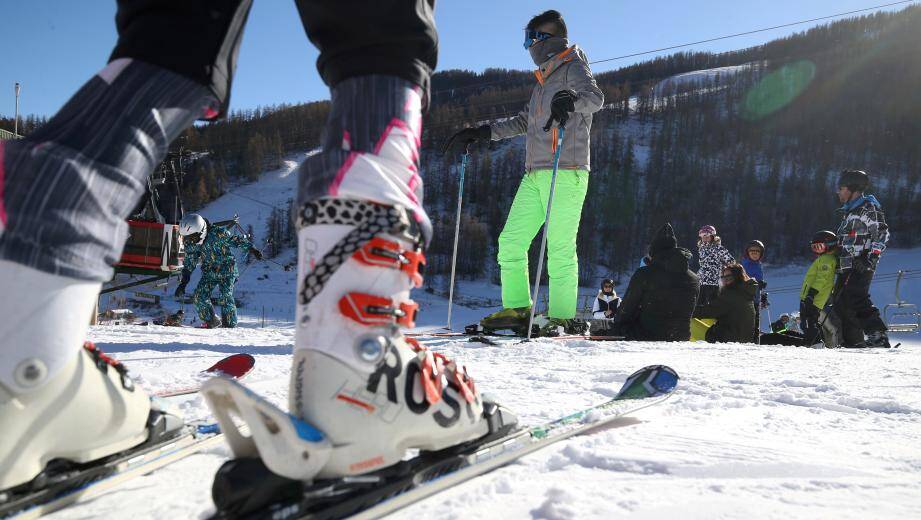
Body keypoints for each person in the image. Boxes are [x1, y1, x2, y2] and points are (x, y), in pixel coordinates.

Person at [0, 0, 516, 492]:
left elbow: (225, 258)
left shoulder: (219, 240)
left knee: (174, 28)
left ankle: (23, 356)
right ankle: (361, 369)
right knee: (378, 32)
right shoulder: (207, 242)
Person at [443, 10, 603, 335]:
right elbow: (523, 122)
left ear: (548, 40)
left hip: (566, 169)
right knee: (511, 242)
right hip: (534, 174)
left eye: (531, 38)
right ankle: (518, 311)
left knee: (558, 246)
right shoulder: (543, 81)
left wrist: (571, 99)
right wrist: (483, 133)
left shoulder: (573, 67)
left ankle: (561, 319)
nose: (528, 45)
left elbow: (595, 98)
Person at [834, 169, 891, 348]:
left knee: (857, 297)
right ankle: (853, 341)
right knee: (841, 302)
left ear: (853, 189)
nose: (838, 192)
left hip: (861, 264)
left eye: (841, 188)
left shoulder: (868, 208)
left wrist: (870, 258)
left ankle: (878, 336)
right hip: (845, 266)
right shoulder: (850, 212)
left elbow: (881, 233)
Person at [614, 223, 700, 341]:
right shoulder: (694, 278)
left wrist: (617, 325)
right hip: (681, 336)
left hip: (646, 335)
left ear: (654, 251)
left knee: (605, 329)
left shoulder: (644, 274)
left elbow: (626, 309)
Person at [174, 213, 262, 328]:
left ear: (201, 230)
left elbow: (237, 241)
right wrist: (184, 282)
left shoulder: (218, 234)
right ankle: (212, 321)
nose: (191, 240)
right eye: (188, 237)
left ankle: (229, 326)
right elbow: (191, 260)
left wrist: (252, 249)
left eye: (193, 237)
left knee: (225, 296)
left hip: (227, 270)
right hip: (209, 272)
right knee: (199, 296)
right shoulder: (191, 243)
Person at [693, 263, 759, 343]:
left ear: (738, 277)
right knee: (705, 318)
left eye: (729, 277)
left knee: (687, 319)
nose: (725, 280)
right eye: (723, 277)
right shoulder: (745, 291)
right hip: (742, 338)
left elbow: (706, 311)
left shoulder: (731, 295)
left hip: (728, 340)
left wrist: (684, 309)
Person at [799, 230, 843, 347]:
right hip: (810, 296)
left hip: (814, 298)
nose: (817, 250)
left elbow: (821, 278)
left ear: (830, 245)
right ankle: (814, 342)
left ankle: (816, 344)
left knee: (809, 321)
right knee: (808, 322)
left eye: (819, 246)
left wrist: (811, 294)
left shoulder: (827, 260)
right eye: (814, 247)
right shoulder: (823, 258)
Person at [696, 225, 735, 306]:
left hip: (714, 282)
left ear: (712, 236)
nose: (704, 239)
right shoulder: (701, 248)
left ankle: (712, 317)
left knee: (712, 304)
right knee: (699, 303)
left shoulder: (718, 248)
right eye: (702, 237)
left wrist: (725, 271)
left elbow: (731, 261)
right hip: (702, 281)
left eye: (706, 236)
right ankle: (700, 316)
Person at [739, 239, 767, 339]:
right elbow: (743, 280)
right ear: (748, 252)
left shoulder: (758, 265)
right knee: (748, 324)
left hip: (755, 299)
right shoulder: (745, 264)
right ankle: (747, 343)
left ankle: (755, 343)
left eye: (757, 251)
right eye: (752, 251)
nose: (754, 253)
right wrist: (756, 282)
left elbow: (759, 281)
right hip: (746, 299)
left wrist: (763, 295)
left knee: (756, 324)